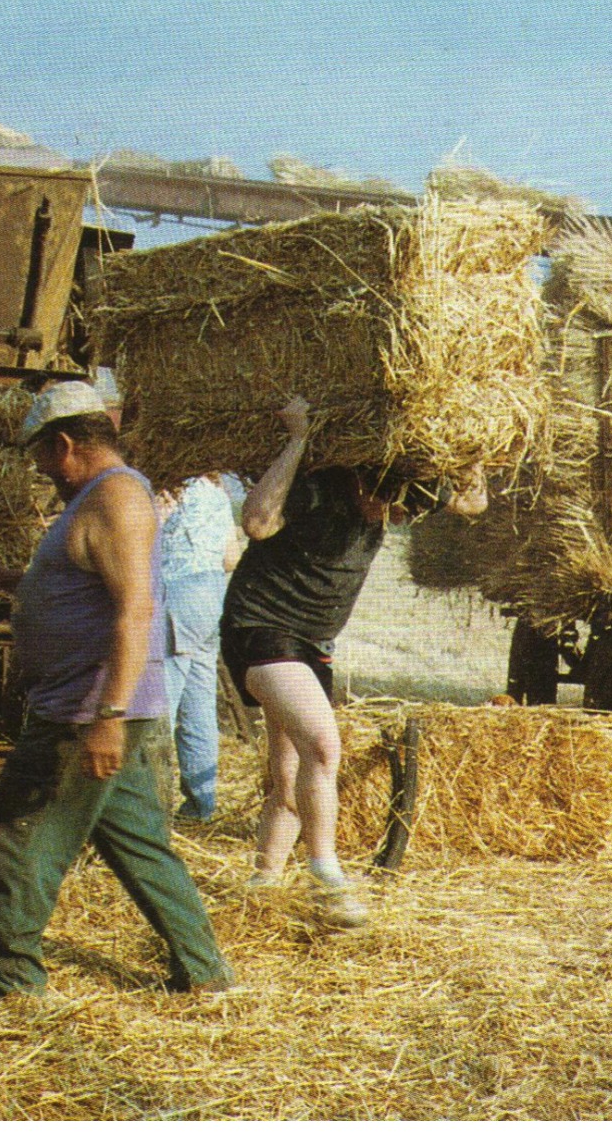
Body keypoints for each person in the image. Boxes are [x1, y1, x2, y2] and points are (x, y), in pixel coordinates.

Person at [0, 380, 234, 997]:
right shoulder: (99, 501)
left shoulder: (115, 499)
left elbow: (134, 612)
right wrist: (3, 580)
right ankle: (205, 971)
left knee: (17, 833)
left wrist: (108, 716)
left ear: (66, 444)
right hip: (97, 705)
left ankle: (7, 982)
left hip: (86, 710)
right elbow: (76, 587)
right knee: (137, 843)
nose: (41, 471)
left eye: (41, 457)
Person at [220, 396, 487, 928]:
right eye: (381, 503)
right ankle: (328, 877)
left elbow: (472, 503)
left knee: (289, 774)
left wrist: (474, 451)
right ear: (363, 480)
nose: (387, 516)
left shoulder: (400, 494)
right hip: (260, 626)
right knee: (323, 747)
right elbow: (255, 520)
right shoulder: (320, 489)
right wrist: (297, 438)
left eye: (398, 510)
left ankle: (262, 888)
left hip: (313, 643)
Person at [155, 474, 239, 821]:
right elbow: (231, 556)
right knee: (199, 705)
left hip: (175, 591)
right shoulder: (216, 488)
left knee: (159, 709)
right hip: (211, 596)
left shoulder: (163, 486)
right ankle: (200, 806)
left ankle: (150, 812)